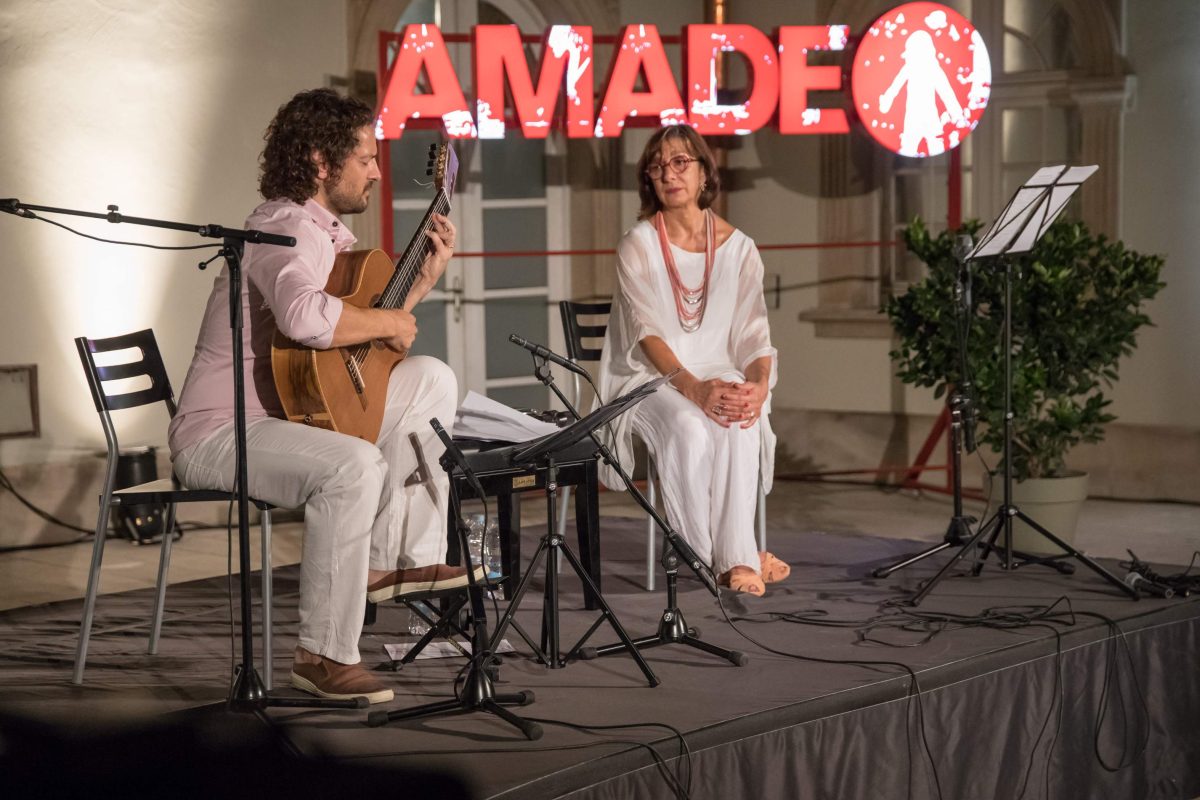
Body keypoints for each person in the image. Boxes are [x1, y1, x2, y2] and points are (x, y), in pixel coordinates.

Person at [168, 88, 472, 704]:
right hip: (221, 430)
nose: (376, 172)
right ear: (319, 161)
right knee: (353, 466)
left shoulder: (323, 235)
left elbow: (345, 356)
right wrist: (389, 321)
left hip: (288, 414)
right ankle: (321, 656)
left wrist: (416, 290)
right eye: (365, 158)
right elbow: (306, 320)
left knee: (431, 378)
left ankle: (391, 560)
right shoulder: (283, 227)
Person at [595, 125, 787, 596]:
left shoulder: (740, 248)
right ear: (649, 179)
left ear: (704, 172)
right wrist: (695, 388)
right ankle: (708, 556)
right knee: (689, 426)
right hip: (647, 379)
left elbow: (754, 334)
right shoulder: (637, 244)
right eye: (657, 166)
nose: (668, 173)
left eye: (680, 162)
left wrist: (758, 386)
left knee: (739, 413)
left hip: (718, 372)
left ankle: (736, 558)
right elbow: (646, 334)